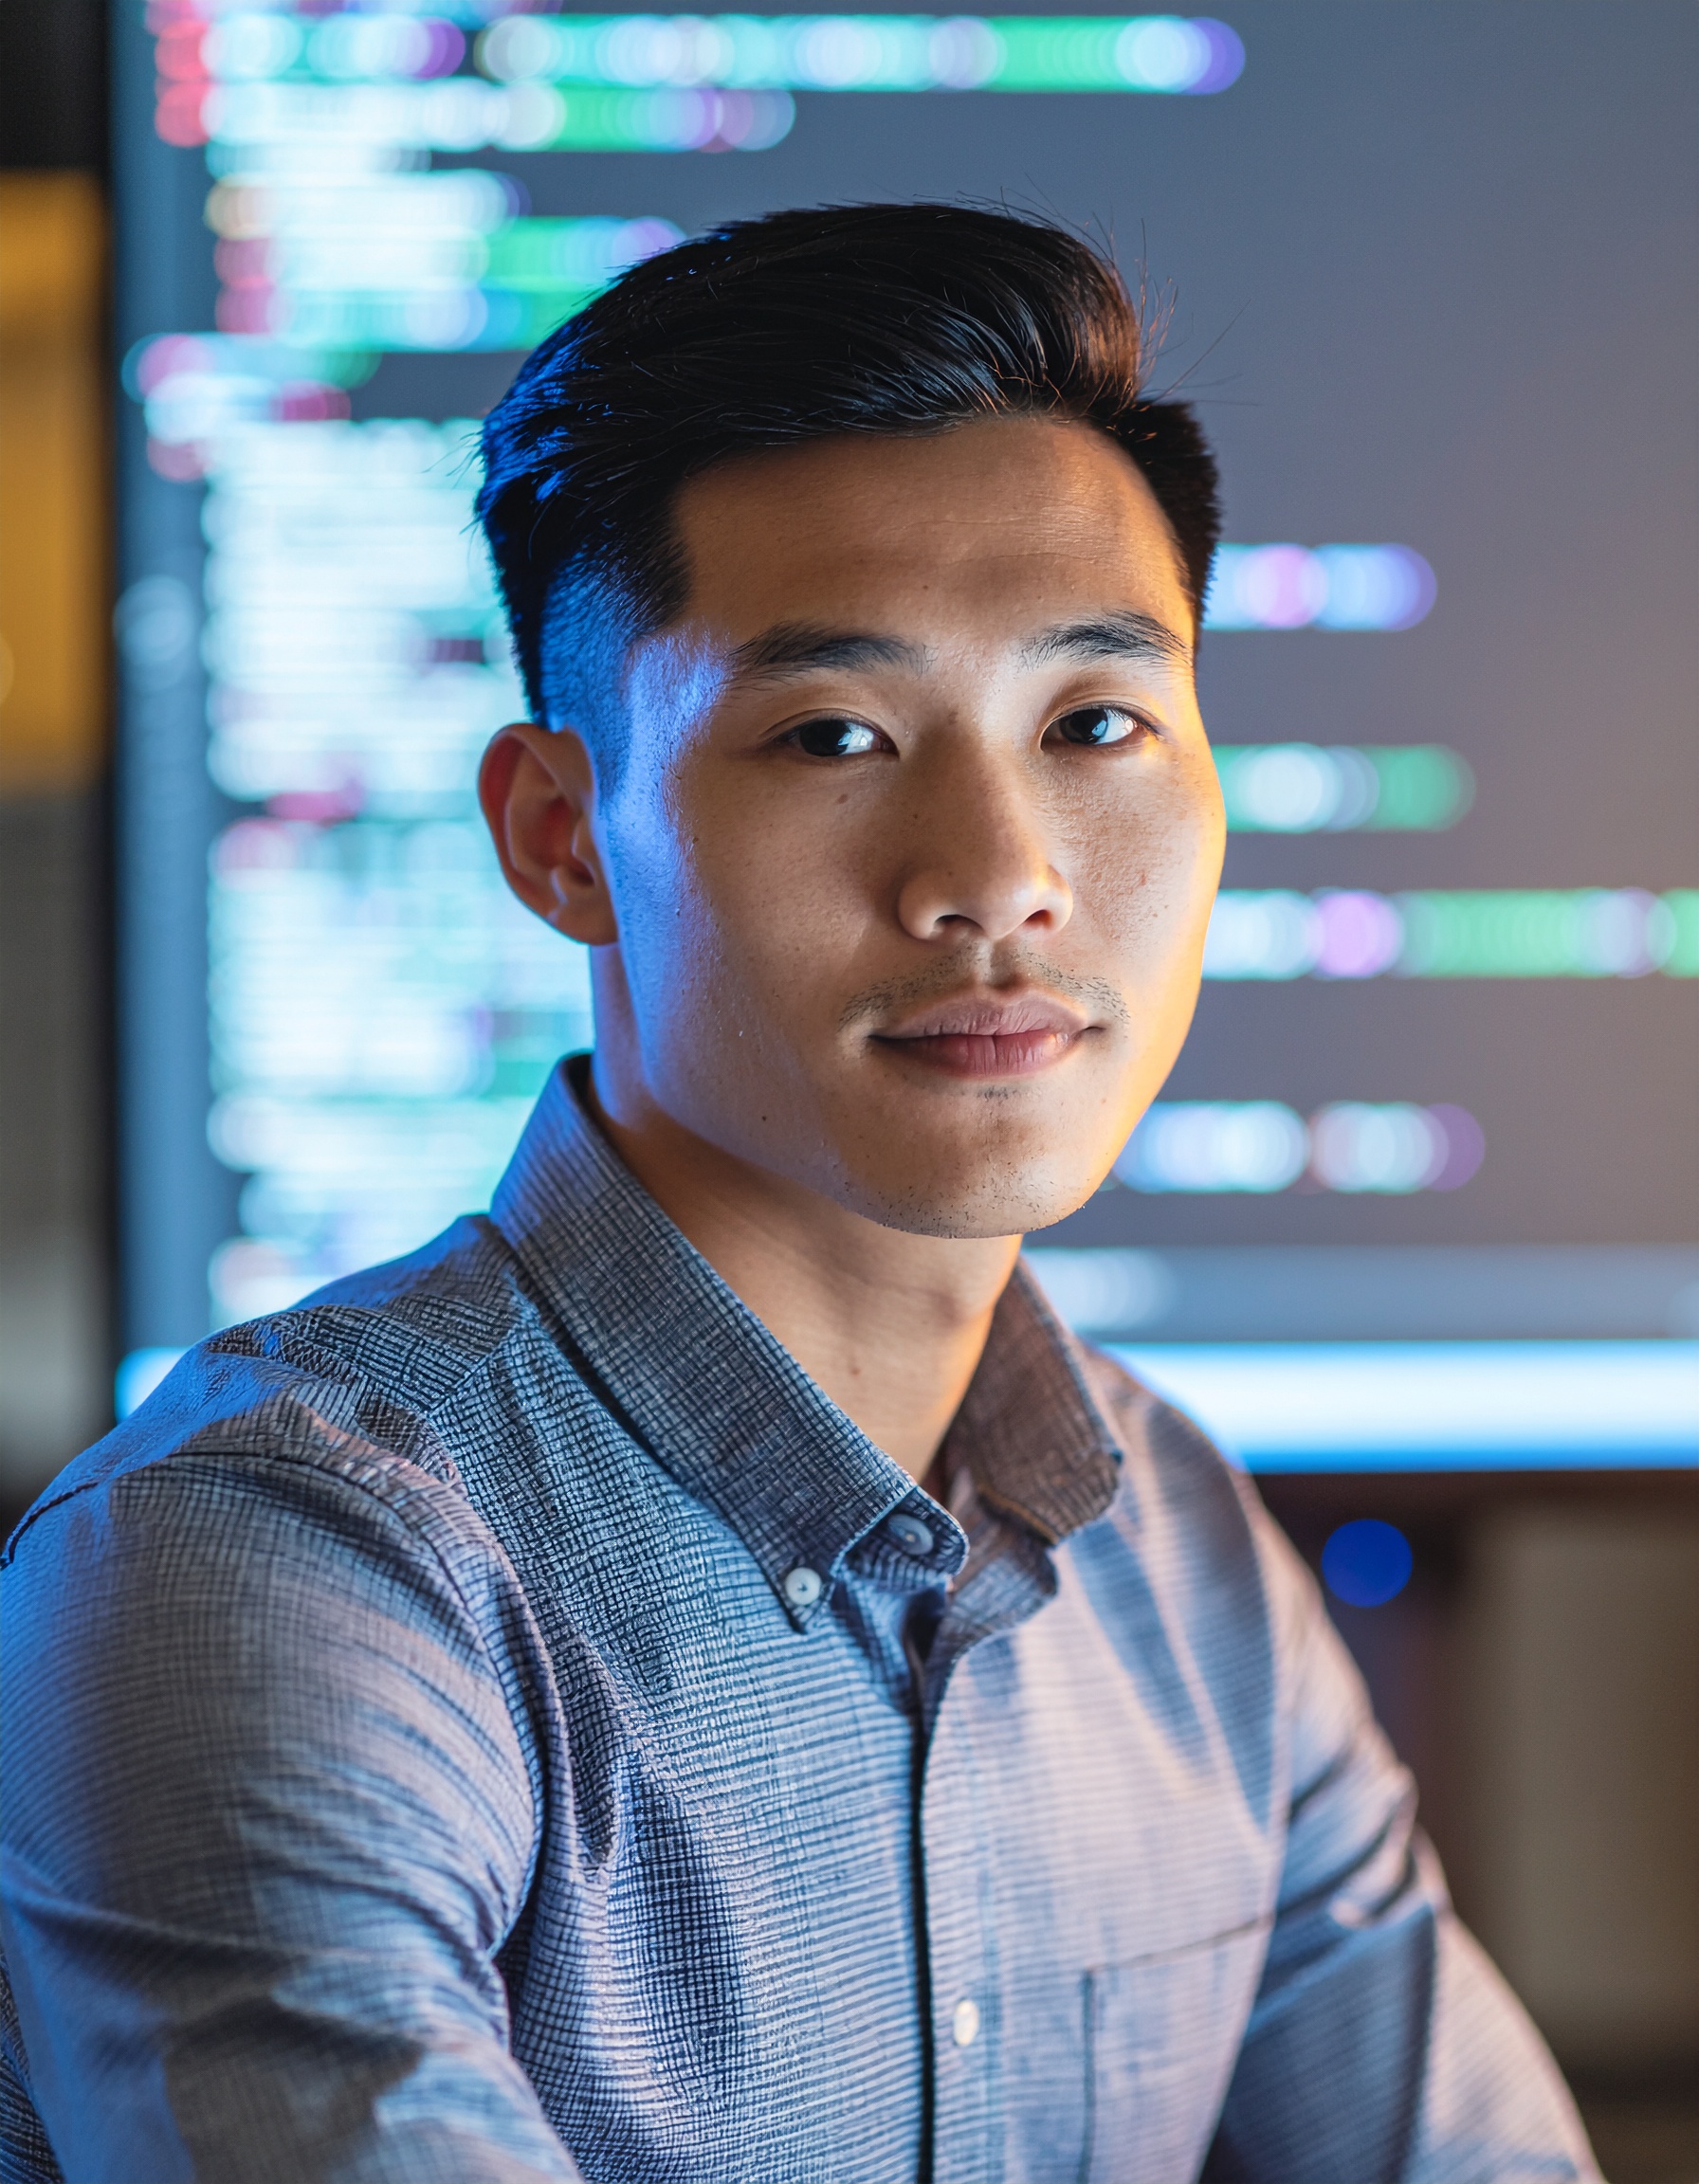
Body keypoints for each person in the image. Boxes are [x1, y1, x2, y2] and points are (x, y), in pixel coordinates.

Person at [0, 204, 1595, 2183]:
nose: (998, 873)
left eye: (1092, 723)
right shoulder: (285, 1567)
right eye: (833, 734)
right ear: (561, 837)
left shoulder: (1172, 1546)